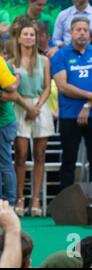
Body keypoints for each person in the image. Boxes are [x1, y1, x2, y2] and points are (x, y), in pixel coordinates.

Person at [51, 16, 92, 190]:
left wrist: (87, 105)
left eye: (85, 30)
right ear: (70, 33)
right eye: (78, 30)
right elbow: (63, 86)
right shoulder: (60, 55)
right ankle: (66, 205)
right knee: (69, 160)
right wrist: (91, 96)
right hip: (69, 115)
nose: (82, 33)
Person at [10, 22, 53, 217]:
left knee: (40, 154)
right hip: (20, 106)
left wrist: (36, 108)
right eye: (25, 34)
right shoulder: (11, 63)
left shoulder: (44, 61)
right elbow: (11, 90)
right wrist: (27, 107)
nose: (29, 38)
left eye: (32, 35)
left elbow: (47, 87)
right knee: (20, 154)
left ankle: (35, 199)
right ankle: (20, 197)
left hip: (40, 107)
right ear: (18, 38)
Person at [0, 57, 18, 206]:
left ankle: (10, 203)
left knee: (5, 164)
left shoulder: (1, 63)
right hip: (5, 121)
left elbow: (12, 90)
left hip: (3, 122)